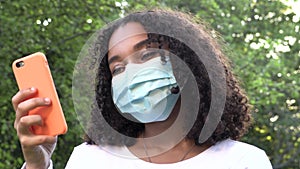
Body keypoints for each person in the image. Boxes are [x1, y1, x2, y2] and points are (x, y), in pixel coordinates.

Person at [12, 9, 273, 169]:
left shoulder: (243, 162)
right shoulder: (90, 159)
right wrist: (37, 164)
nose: (132, 74)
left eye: (147, 56)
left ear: (188, 63)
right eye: (118, 68)